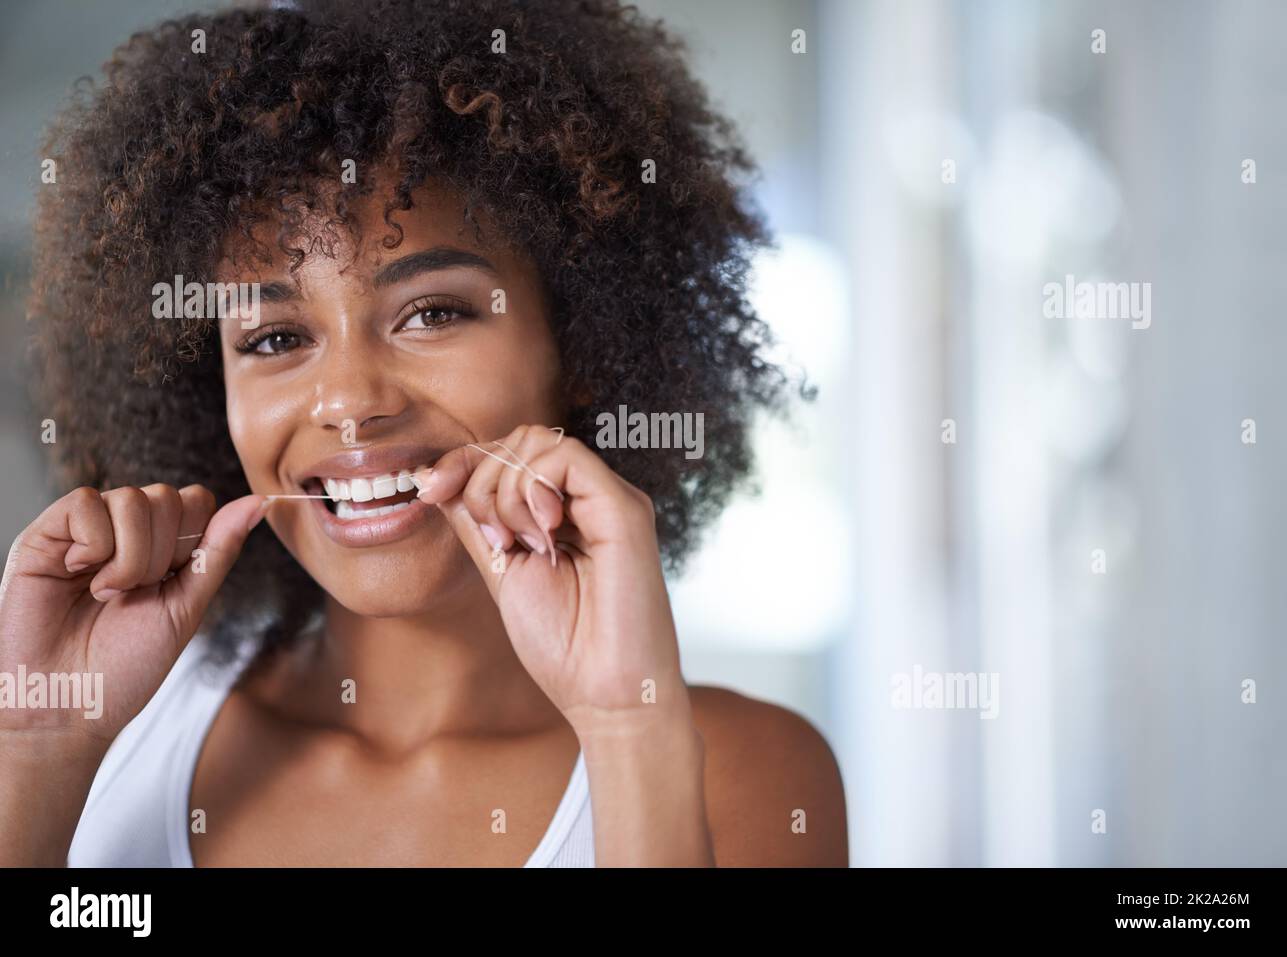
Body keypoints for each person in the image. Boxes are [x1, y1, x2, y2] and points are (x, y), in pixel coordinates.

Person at [1, 0, 847, 867]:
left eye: (432, 312)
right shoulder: (103, 736)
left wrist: (626, 728)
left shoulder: (741, 772)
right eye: (276, 339)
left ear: (584, 343)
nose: (349, 401)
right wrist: (37, 751)